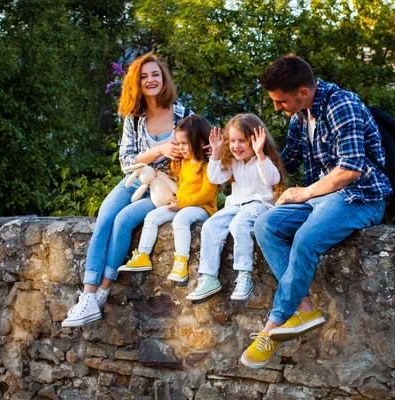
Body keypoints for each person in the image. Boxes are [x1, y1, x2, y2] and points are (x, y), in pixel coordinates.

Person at [240, 55, 392, 368]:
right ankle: (305, 307)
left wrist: (306, 193)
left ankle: (273, 325)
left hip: (360, 196)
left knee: (306, 238)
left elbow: (351, 168)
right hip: (324, 199)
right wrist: (255, 157)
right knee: (266, 225)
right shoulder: (301, 116)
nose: (277, 108)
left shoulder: (341, 105)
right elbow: (288, 163)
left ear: (303, 92)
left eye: (281, 101)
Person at [62, 53, 193, 328]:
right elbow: (126, 162)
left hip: (163, 187)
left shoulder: (183, 115)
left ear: (163, 78)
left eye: (155, 74)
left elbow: (196, 157)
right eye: (144, 76)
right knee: (104, 219)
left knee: (123, 221)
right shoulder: (134, 118)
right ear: (137, 83)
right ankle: (88, 296)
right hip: (135, 180)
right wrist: (159, 149)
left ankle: (103, 291)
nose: (150, 80)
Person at [186, 114, 287, 301]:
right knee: (211, 225)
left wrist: (260, 153)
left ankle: (244, 274)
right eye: (232, 141)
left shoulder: (262, 160)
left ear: (256, 140)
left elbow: (273, 179)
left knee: (239, 224)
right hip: (236, 204)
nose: (236, 146)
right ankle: (208, 277)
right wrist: (216, 152)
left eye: (242, 141)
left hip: (260, 205)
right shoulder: (234, 162)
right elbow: (216, 178)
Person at [117, 115, 218, 283]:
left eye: (184, 144)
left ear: (200, 142)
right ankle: (143, 255)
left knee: (181, 219)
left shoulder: (207, 165)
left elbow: (206, 194)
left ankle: (181, 263)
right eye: (178, 144)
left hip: (202, 208)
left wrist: (181, 203)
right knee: (152, 217)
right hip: (181, 204)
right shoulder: (184, 162)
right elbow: (175, 181)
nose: (180, 148)